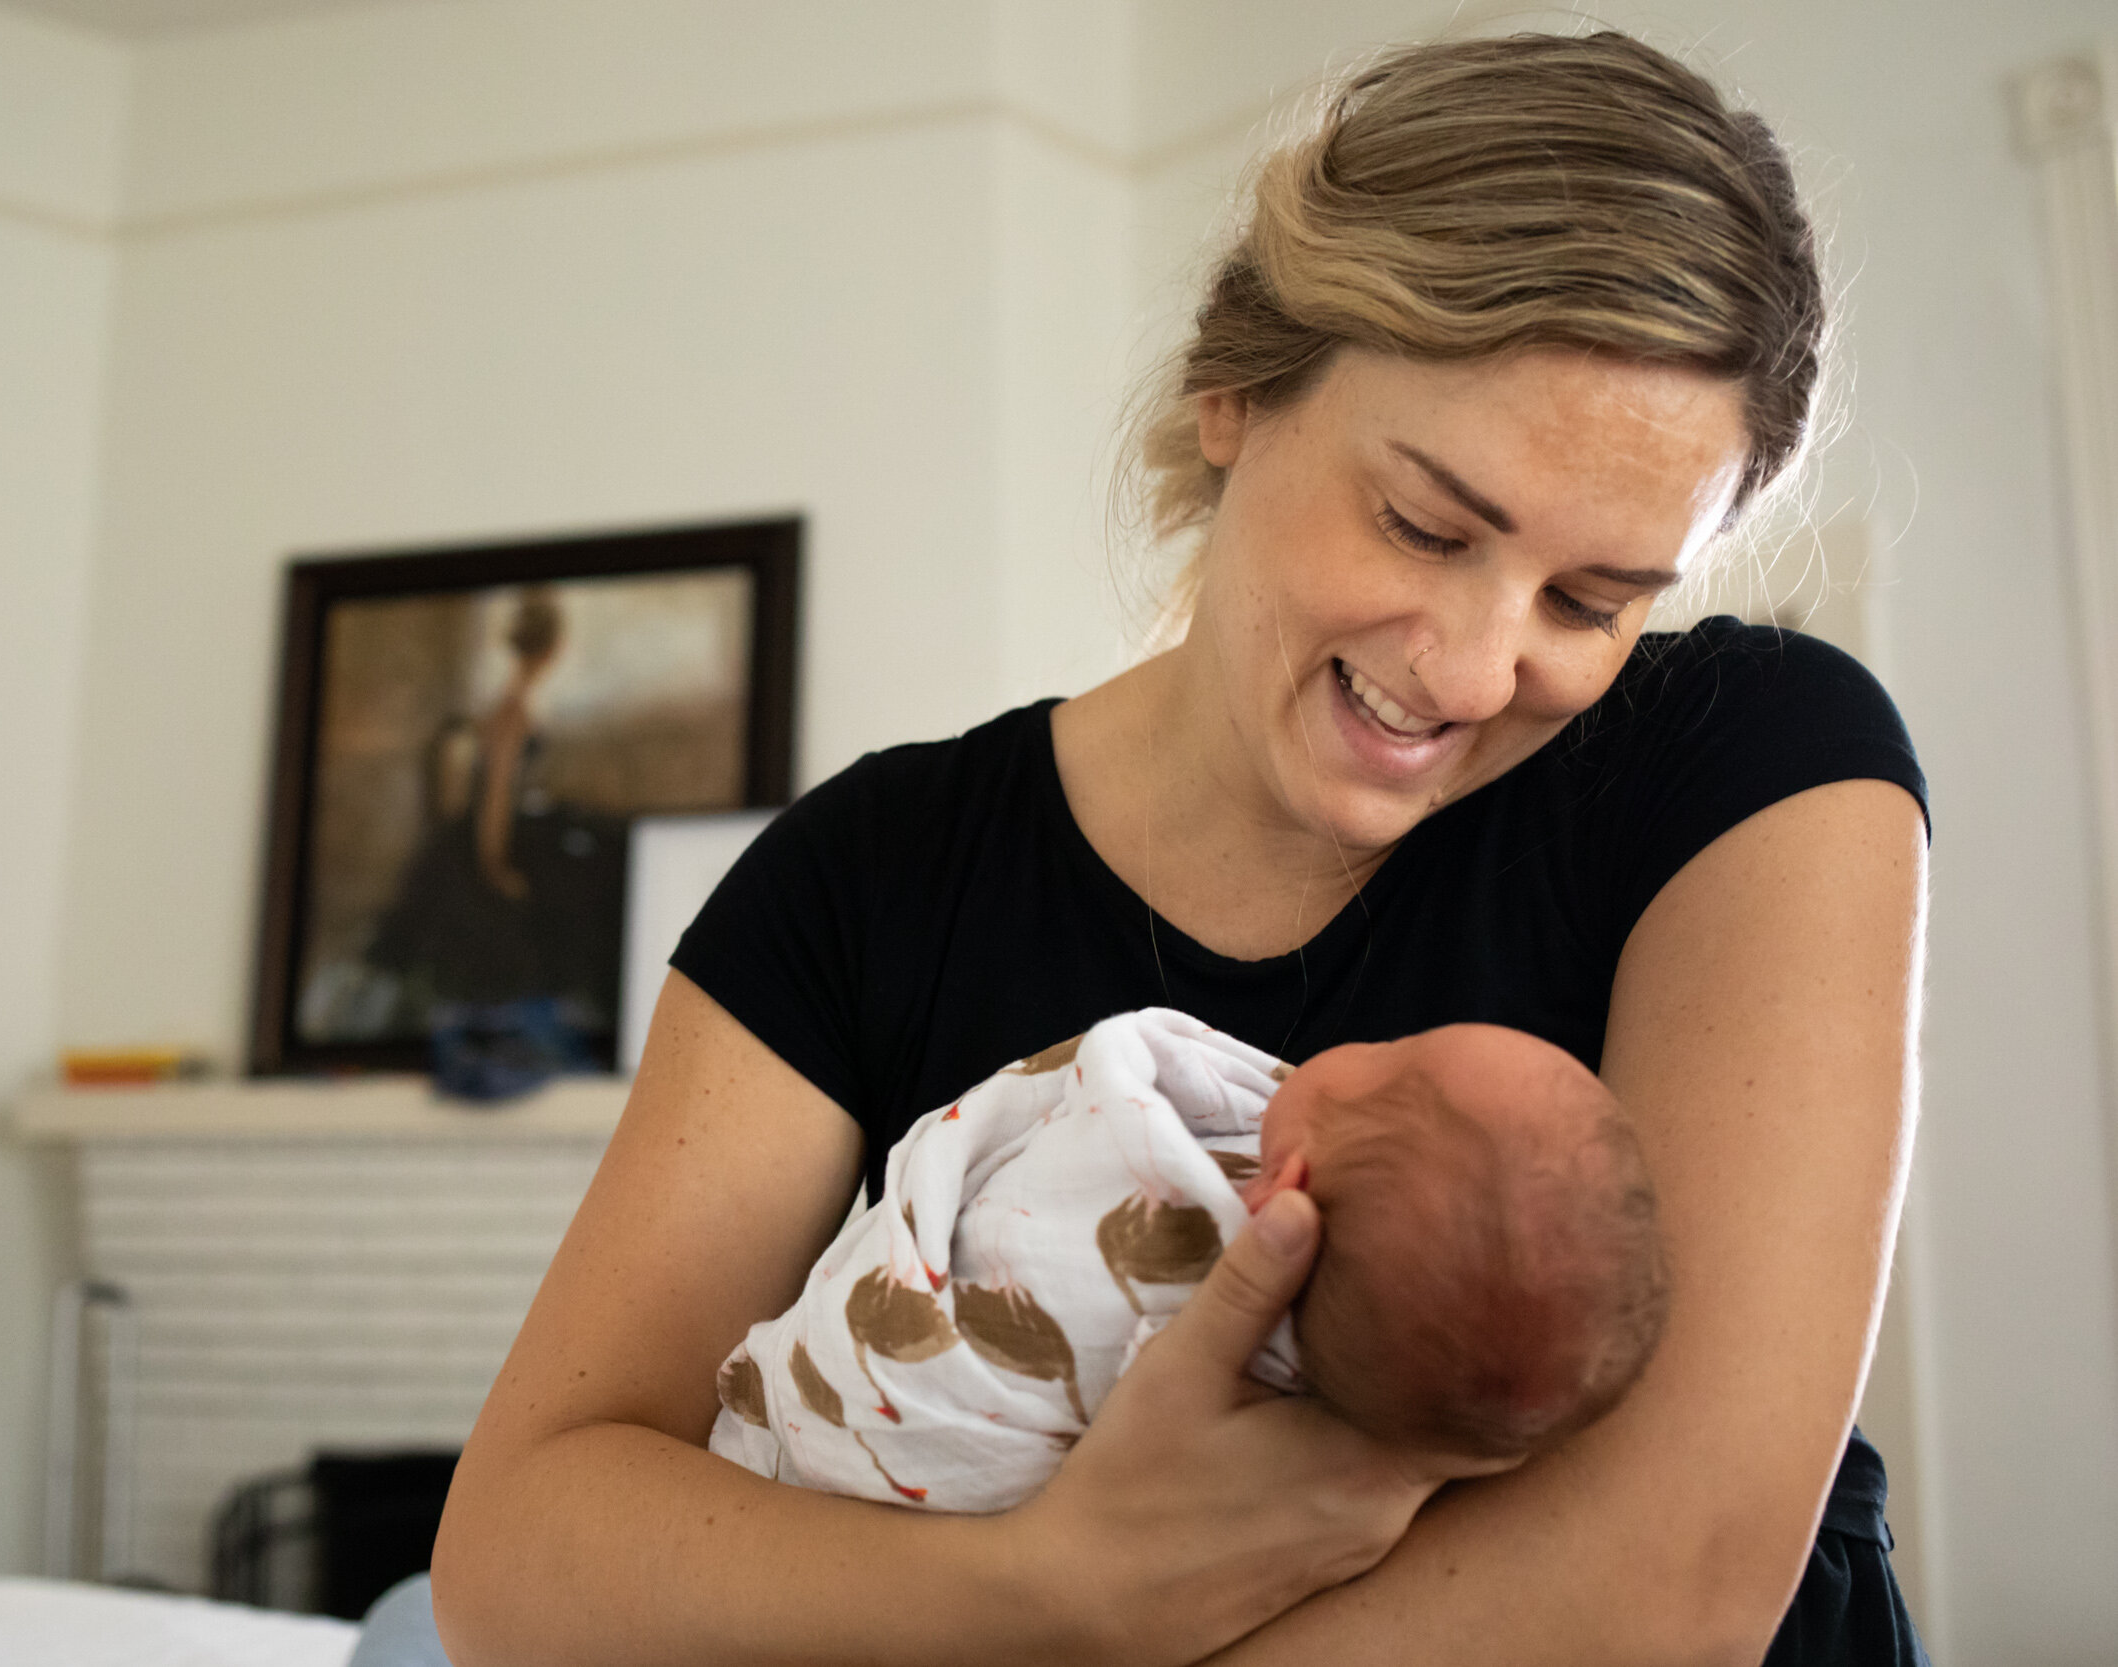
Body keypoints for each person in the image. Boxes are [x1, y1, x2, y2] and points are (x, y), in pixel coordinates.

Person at [430, 29, 1930, 1667]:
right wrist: (1047, 1594)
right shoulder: (873, 870)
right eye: (1426, 525)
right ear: (1236, 390)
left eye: (1595, 600)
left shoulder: (1752, 761)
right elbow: (518, 1559)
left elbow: (1673, 1580)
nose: (1481, 664)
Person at [711, 1011, 1668, 1512]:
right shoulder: (1362, 1407)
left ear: (1282, 1188)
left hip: (819, 1457)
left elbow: (1029, 1233)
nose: (1365, 1043)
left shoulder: (1160, 1230)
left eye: (1390, 1055)